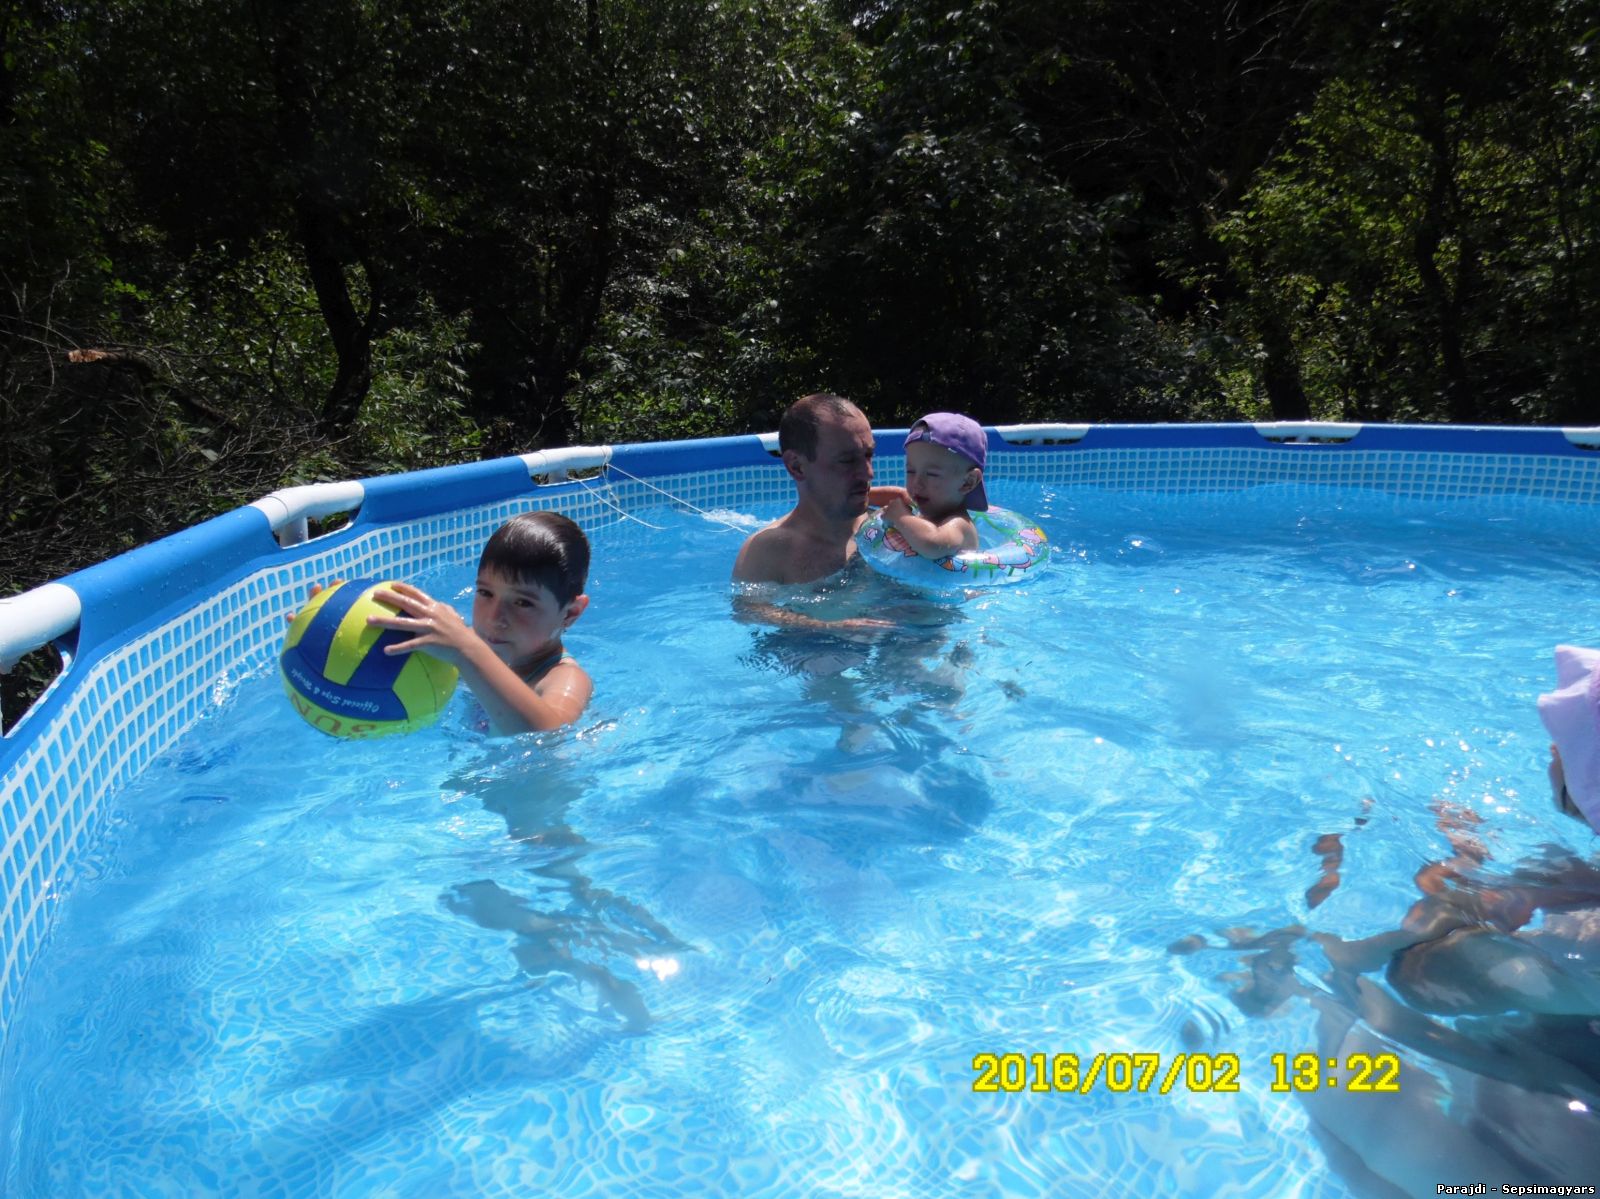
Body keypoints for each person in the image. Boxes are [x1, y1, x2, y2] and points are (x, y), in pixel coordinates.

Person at [345, 511, 593, 734]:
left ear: (570, 613)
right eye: (485, 593)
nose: (494, 618)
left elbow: (550, 736)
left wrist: (466, 652)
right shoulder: (467, 644)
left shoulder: (565, 678)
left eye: (523, 603)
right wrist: (344, 615)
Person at [867, 412, 989, 559]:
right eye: (911, 471)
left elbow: (933, 544)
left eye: (932, 474)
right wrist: (862, 496)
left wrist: (900, 517)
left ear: (968, 482)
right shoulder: (929, 502)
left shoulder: (960, 526)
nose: (917, 483)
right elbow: (899, 494)